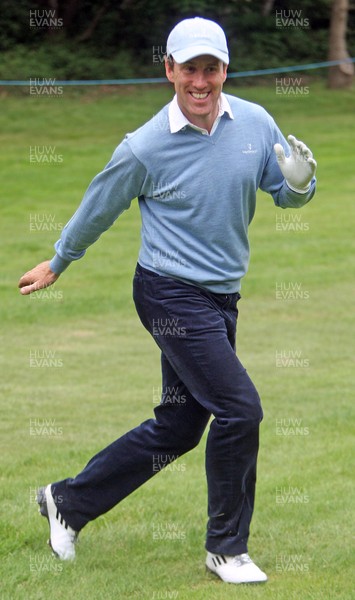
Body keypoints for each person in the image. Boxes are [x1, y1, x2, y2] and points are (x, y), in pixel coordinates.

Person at [19, 17, 317, 585]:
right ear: (169, 70)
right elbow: (98, 206)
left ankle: (67, 500)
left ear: (225, 70)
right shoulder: (146, 146)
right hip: (167, 293)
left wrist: (300, 184)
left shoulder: (255, 121)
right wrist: (59, 260)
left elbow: (284, 194)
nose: (200, 81)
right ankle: (226, 550)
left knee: (180, 426)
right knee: (240, 409)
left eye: (211, 68)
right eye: (189, 69)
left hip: (222, 297)